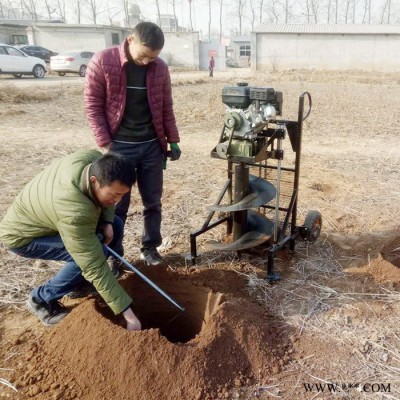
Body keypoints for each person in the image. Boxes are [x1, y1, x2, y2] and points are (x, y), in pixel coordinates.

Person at [0, 150, 141, 331]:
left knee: (116, 224)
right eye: (113, 195)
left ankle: (78, 284)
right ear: (94, 181)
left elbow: (106, 204)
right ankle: (41, 299)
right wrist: (129, 316)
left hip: (50, 217)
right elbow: (92, 263)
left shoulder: (94, 160)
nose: (117, 201)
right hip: (23, 236)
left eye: (122, 195)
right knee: (89, 256)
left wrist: (106, 220)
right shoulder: (74, 211)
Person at [84, 22, 181, 267]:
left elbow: (165, 106)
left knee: (153, 201)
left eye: (153, 57)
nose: (148, 62)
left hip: (151, 146)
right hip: (119, 147)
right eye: (144, 55)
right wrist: (106, 143)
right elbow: (93, 106)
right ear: (130, 40)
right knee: (117, 205)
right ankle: (115, 256)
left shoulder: (159, 68)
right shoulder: (103, 62)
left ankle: (150, 248)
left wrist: (173, 139)